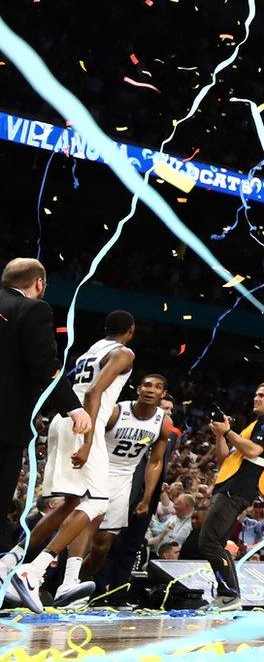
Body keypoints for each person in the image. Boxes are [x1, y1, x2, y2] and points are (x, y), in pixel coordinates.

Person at [3, 310, 137, 613]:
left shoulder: (91, 351)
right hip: (83, 424)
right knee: (98, 503)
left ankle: (10, 561)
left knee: (70, 502)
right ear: (130, 330)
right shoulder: (123, 352)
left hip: (62, 421)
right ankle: (33, 570)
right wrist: (89, 441)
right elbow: (93, 391)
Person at [61, 372, 171, 607]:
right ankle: (66, 585)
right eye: (147, 385)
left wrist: (147, 498)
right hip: (97, 472)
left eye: (157, 387)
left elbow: (154, 462)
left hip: (124, 481)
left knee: (103, 546)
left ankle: (81, 583)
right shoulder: (117, 411)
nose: (151, 390)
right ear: (138, 389)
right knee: (85, 532)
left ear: (163, 393)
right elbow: (90, 436)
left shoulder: (163, 422)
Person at [190, 380, 264, 611]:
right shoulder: (252, 426)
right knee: (216, 541)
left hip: (239, 489)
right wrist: (220, 436)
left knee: (208, 541)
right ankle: (228, 595)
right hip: (230, 486)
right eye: (256, 394)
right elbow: (224, 460)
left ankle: (230, 595)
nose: (256, 398)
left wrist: (229, 431)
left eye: (262, 395)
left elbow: (254, 450)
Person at [0, 259, 59, 533]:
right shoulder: (33, 309)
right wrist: (74, 408)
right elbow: (45, 366)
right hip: (5, 426)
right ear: (39, 283)